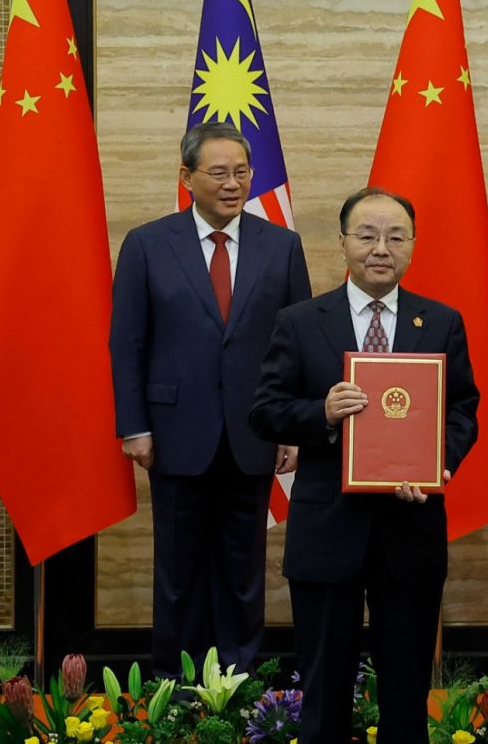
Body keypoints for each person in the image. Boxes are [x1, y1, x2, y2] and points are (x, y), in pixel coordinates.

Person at [250, 187, 479, 744]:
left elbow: (462, 409)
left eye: (396, 237)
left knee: (406, 692)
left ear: (412, 246)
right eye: (368, 235)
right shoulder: (301, 321)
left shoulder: (440, 321)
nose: (382, 248)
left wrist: (438, 464)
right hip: (327, 531)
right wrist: (321, 413)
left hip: (411, 529)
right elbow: (265, 410)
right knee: (324, 693)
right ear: (343, 243)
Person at [108, 121, 312, 677]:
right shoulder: (147, 244)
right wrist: (134, 425)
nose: (232, 183)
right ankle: (174, 686)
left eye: (241, 172)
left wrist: (292, 425)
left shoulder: (282, 245)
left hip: (254, 432)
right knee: (179, 569)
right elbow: (127, 342)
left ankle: (237, 684)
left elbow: (298, 346)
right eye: (218, 172)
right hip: (174, 433)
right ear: (186, 177)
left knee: (243, 569)